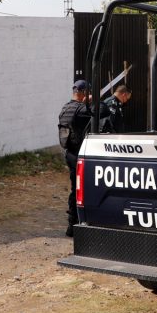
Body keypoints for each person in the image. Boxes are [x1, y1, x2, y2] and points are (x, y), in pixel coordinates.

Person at [58, 79, 92, 237]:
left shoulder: (66, 107)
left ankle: (72, 224)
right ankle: (78, 224)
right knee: (82, 190)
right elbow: (101, 111)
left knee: (75, 188)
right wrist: (91, 102)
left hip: (70, 153)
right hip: (79, 154)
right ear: (83, 93)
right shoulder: (81, 109)